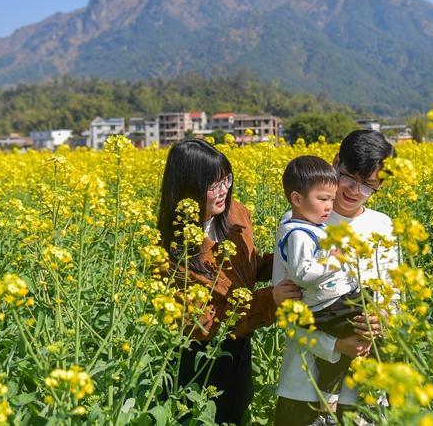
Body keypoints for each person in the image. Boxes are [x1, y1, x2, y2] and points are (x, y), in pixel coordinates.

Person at [156, 138, 300, 425]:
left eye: (226, 180)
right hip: (200, 364)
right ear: (187, 187)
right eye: (213, 185)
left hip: (239, 348)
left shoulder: (235, 214)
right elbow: (203, 323)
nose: (224, 191)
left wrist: (292, 261)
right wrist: (270, 299)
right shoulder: (169, 249)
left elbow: (248, 265)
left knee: (238, 410)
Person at [273, 130, 398, 425]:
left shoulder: (383, 225)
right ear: (335, 163)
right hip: (305, 384)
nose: (355, 191)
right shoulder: (296, 223)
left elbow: (395, 300)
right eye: (349, 177)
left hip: (365, 389)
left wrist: (384, 318)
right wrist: (334, 346)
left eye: (369, 186)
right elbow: (286, 309)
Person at [276, 155, 368, 397]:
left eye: (331, 199)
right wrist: (334, 261)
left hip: (331, 301)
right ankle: (334, 394)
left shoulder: (313, 226)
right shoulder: (298, 234)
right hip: (325, 306)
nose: (330, 206)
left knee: (365, 324)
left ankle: (332, 391)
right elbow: (302, 273)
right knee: (364, 329)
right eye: (323, 199)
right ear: (296, 199)